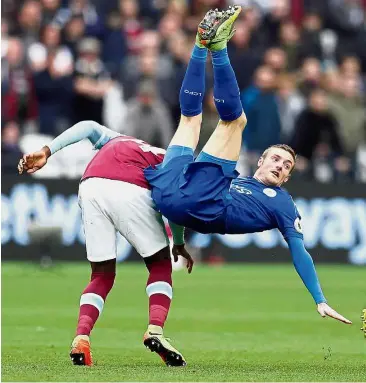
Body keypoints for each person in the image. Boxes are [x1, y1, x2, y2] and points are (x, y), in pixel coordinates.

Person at [143, 6, 352, 326]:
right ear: (260, 161)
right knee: (190, 119)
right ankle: (202, 46)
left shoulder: (283, 203)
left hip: (192, 199)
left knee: (234, 120)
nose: (281, 166)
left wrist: (319, 299)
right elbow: (180, 206)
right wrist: (180, 243)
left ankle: (215, 47)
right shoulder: (240, 181)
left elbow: (300, 252)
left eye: (287, 166)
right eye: (277, 159)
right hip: (173, 197)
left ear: (287, 179)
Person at [18, 122, 194, 368]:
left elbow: (87, 126)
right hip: (130, 187)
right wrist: (179, 242)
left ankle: (81, 338)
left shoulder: (120, 139)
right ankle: (155, 330)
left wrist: (47, 151)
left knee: (101, 274)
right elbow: (174, 205)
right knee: (160, 265)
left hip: (90, 186)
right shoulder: (174, 162)